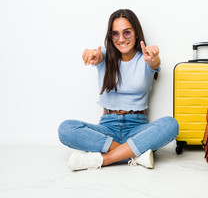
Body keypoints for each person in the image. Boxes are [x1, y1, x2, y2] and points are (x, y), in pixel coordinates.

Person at [58, 9, 179, 171]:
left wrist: (154, 59)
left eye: (127, 33)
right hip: (107, 128)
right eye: (115, 34)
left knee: (170, 125)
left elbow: (154, 63)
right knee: (65, 129)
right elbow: (97, 56)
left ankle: (105, 159)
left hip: (137, 128)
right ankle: (134, 154)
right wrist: (91, 54)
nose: (121, 39)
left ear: (136, 33)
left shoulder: (146, 58)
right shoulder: (104, 55)